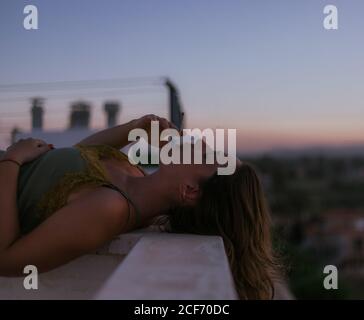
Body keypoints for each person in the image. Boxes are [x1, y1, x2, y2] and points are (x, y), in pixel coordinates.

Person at [0, 114, 279, 299]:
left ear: (189, 191)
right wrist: (137, 127)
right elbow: (71, 158)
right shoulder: (135, 174)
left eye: (206, 154)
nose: (202, 141)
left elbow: (8, 259)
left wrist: (12, 161)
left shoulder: (112, 208)